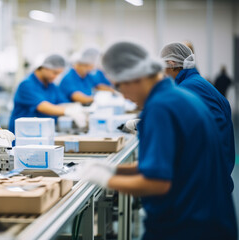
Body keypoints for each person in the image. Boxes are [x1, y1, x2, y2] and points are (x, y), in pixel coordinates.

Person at [79, 41, 237, 239]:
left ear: (133, 77)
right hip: (204, 217)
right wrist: (113, 169)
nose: (125, 97)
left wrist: (107, 180)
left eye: (119, 86)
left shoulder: (160, 107)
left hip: (186, 225)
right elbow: (165, 165)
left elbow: (157, 182)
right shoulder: (177, 95)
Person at [160, 42, 235, 192]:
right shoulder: (196, 82)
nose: (163, 73)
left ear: (172, 64)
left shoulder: (188, 87)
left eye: (163, 68)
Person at [8, 54, 87, 132]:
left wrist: (78, 108)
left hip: (42, 132)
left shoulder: (51, 85)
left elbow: (62, 102)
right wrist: (68, 111)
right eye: (55, 73)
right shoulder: (26, 85)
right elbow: (42, 106)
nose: (56, 77)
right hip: (24, 133)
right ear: (44, 68)